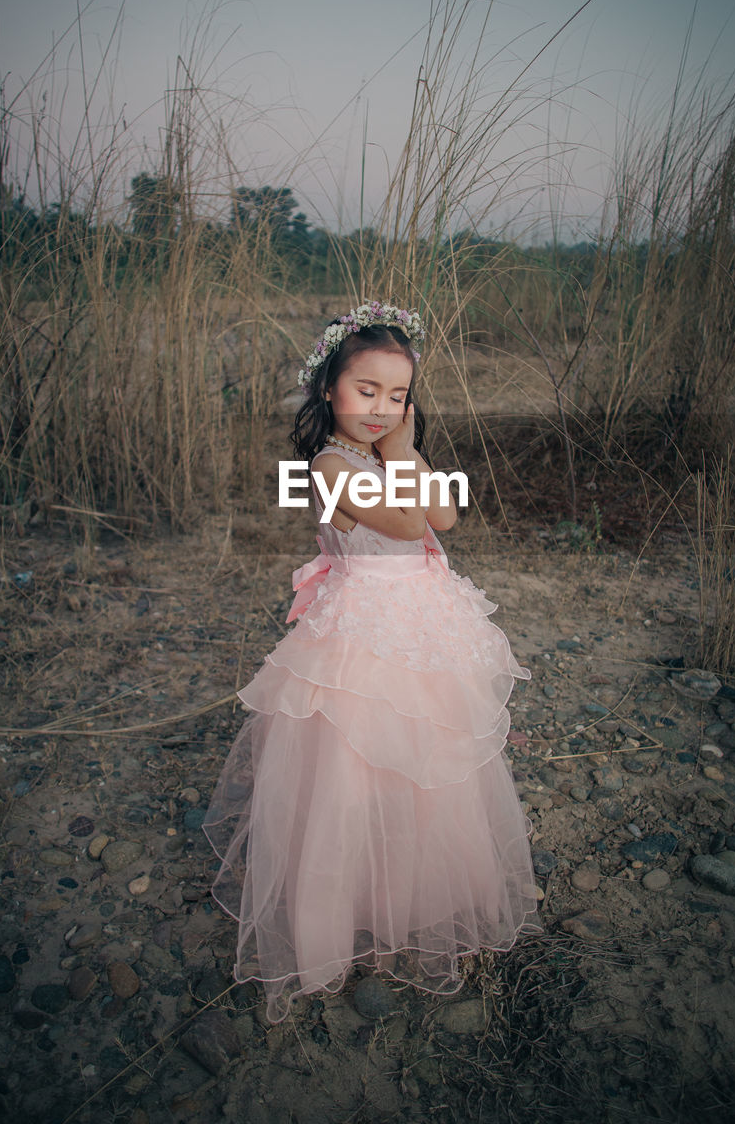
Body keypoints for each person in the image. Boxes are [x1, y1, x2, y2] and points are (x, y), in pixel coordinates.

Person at [202, 300, 542, 1024]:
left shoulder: (385, 451)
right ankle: (339, 910)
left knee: (425, 765)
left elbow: (445, 516)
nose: (382, 408)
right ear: (329, 388)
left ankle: (414, 895)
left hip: (419, 627)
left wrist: (405, 449)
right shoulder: (329, 463)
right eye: (367, 391)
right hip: (364, 632)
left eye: (398, 396)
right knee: (351, 770)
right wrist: (402, 452)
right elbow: (405, 520)